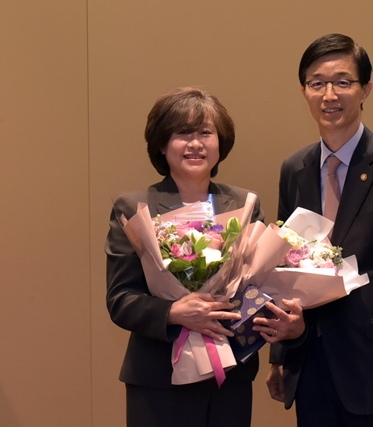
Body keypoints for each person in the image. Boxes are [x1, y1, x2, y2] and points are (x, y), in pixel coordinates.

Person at [252, 34, 373, 427]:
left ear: (365, 89)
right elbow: (283, 266)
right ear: (303, 90)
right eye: (317, 83)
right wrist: (281, 355)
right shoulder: (295, 169)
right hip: (311, 362)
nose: (329, 94)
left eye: (342, 81)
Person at [105, 87, 264, 427]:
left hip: (229, 377)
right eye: (183, 134)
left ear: (220, 142)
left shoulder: (244, 204)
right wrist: (174, 311)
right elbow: (121, 299)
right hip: (159, 379)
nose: (196, 144)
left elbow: (259, 287)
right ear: (162, 145)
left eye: (205, 133)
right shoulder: (135, 208)